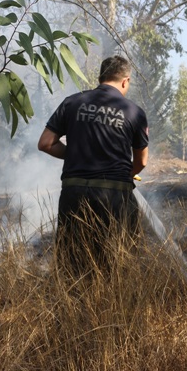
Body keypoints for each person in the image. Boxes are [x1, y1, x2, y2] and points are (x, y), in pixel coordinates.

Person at [38, 55, 149, 275]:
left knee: (73, 264)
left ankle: (72, 307)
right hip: (114, 195)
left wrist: (77, 153)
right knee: (116, 262)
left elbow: (45, 143)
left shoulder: (72, 102)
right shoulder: (134, 112)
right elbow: (141, 162)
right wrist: (129, 173)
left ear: (101, 77)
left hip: (74, 192)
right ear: (125, 81)